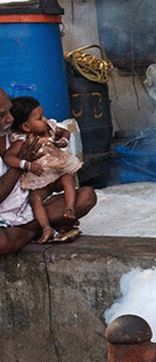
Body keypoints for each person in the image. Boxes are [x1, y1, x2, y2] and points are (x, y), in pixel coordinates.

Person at [0, 87, 96, 252]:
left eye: (10, 111)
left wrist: (60, 142)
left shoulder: (17, 132)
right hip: (4, 219)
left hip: (31, 209)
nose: (9, 119)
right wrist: (23, 163)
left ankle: (38, 227)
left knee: (86, 196)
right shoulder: (17, 142)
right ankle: (33, 231)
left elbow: (58, 131)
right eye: (2, 115)